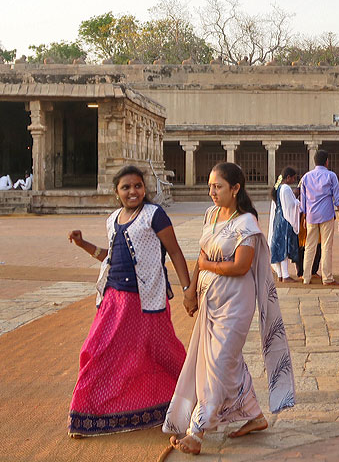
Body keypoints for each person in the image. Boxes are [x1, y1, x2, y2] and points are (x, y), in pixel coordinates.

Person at [164, 162, 295, 455]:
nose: (212, 191)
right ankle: (254, 415)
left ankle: (197, 430)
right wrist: (190, 292)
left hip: (235, 303)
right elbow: (201, 252)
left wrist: (207, 266)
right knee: (225, 361)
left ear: (235, 189)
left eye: (218, 186)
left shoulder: (246, 222)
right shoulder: (211, 214)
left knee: (219, 362)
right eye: (210, 186)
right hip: (210, 299)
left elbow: (240, 266)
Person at [66, 165, 191, 437]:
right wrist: (83, 243)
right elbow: (109, 257)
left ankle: (190, 398)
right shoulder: (113, 219)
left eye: (137, 186)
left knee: (162, 352)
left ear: (144, 189)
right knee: (95, 351)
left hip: (147, 301)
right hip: (113, 300)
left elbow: (175, 253)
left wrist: (187, 289)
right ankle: (89, 414)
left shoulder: (154, 215)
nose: (132, 191)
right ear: (116, 192)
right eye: (126, 187)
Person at [300, 150, 339, 286]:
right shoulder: (331, 176)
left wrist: (303, 216)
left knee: (309, 246)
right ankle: (327, 278)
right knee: (326, 246)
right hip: (326, 215)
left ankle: (306, 277)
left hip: (311, 215)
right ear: (326, 161)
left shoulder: (306, 177)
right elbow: (338, 198)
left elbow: (302, 199)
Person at [268, 167, 300, 283]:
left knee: (279, 246)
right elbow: (291, 205)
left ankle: (281, 275)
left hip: (278, 219)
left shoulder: (278, 188)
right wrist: (297, 197)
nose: (294, 180)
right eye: (293, 178)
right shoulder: (285, 188)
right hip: (285, 221)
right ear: (288, 177)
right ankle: (285, 276)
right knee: (284, 248)